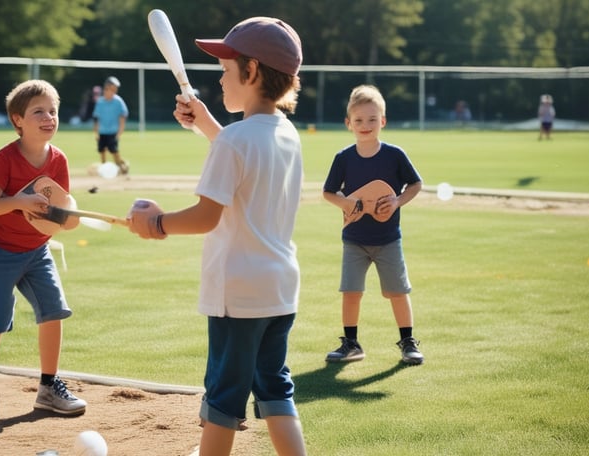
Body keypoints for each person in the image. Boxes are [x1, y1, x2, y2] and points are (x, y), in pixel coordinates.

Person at [128, 17, 307, 456]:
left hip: (237, 295)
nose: (220, 78)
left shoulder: (235, 142)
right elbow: (247, 155)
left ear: (252, 72)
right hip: (279, 290)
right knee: (274, 389)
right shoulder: (286, 133)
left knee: (223, 398)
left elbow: (207, 215)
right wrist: (206, 124)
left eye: (227, 69)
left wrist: (157, 223)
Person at [0, 79, 86, 424]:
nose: (49, 117)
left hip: (38, 251)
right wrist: (19, 201)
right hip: (0, 251)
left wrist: (69, 217)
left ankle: (49, 387)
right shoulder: (5, 159)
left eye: (53, 111)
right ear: (18, 119)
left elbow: (58, 209)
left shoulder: (59, 160)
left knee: (53, 311)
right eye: (39, 111)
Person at [322, 84, 424, 366]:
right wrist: (345, 203)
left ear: (383, 121)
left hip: (388, 238)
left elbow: (415, 184)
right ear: (348, 124)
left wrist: (398, 201)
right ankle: (351, 343)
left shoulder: (394, 155)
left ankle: (408, 342)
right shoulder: (344, 158)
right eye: (358, 120)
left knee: (398, 292)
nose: (365, 125)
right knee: (350, 291)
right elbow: (329, 192)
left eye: (372, 119)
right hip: (353, 238)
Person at [91, 76, 129, 176]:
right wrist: (96, 131)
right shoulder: (100, 101)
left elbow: (123, 116)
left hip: (113, 131)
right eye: (113, 88)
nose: (114, 91)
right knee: (102, 150)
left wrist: (120, 131)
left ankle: (122, 166)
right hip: (102, 131)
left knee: (114, 150)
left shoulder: (118, 101)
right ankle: (104, 169)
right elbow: (96, 117)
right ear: (107, 88)